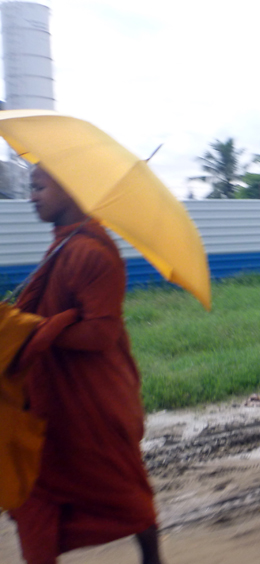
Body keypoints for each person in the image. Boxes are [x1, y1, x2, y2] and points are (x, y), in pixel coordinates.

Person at [8, 167, 162, 564]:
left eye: (39, 187)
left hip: (95, 400)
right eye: (31, 188)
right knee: (35, 493)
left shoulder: (93, 252)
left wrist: (38, 330)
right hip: (53, 397)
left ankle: (152, 555)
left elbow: (100, 335)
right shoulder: (64, 245)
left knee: (119, 487)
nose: (32, 196)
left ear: (72, 188)